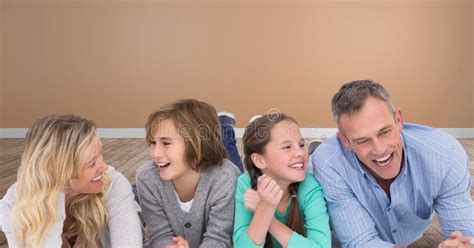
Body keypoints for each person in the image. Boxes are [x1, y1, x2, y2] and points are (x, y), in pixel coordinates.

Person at [309, 80, 474, 248]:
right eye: (363, 140)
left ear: (399, 119)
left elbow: (465, 234)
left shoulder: (445, 155)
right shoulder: (329, 163)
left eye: (385, 132)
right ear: (345, 141)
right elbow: (360, 241)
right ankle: (313, 149)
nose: (379, 149)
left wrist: (461, 244)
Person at [0, 115, 142, 248]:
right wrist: (54, 197)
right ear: (59, 171)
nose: (103, 167)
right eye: (91, 163)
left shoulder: (113, 183)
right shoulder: (13, 207)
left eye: (100, 154)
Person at [136, 99, 240, 248]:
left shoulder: (226, 178)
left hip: (221, 170)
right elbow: (159, 235)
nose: (156, 153)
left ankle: (225, 126)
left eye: (166, 143)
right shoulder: (146, 177)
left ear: (197, 144)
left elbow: (219, 238)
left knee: (232, 158)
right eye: (153, 143)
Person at [233, 113, 331, 248]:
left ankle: (316, 151)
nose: (301, 153)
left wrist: (265, 213)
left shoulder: (309, 186)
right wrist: (266, 208)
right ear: (260, 160)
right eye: (287, 147)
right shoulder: (246, 184)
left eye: (302, 145)